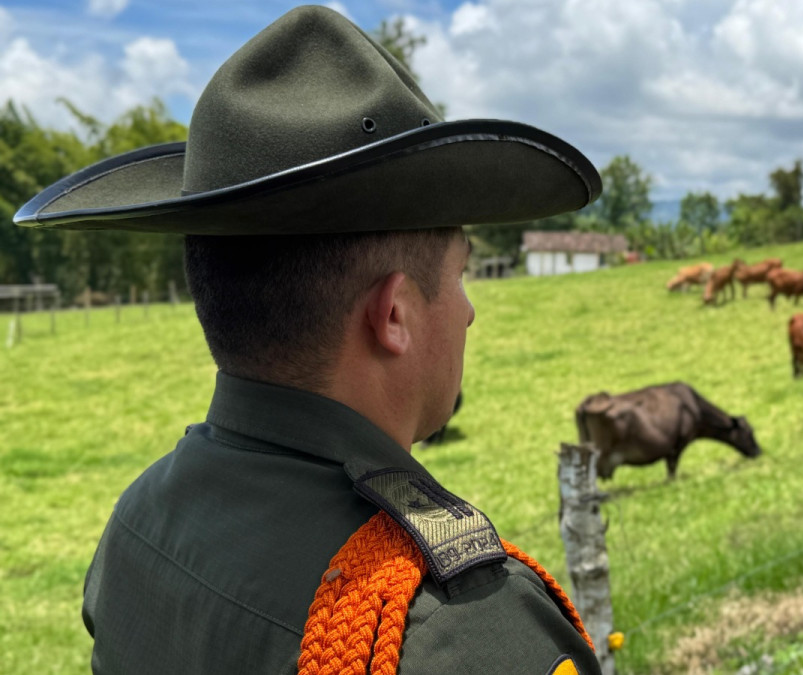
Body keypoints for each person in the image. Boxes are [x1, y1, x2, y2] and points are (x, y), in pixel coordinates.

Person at [16, 6, 603, 674]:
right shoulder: (455, 631)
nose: (468, 312)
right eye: (462, 274)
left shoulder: (141, 519)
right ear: (394, 316)